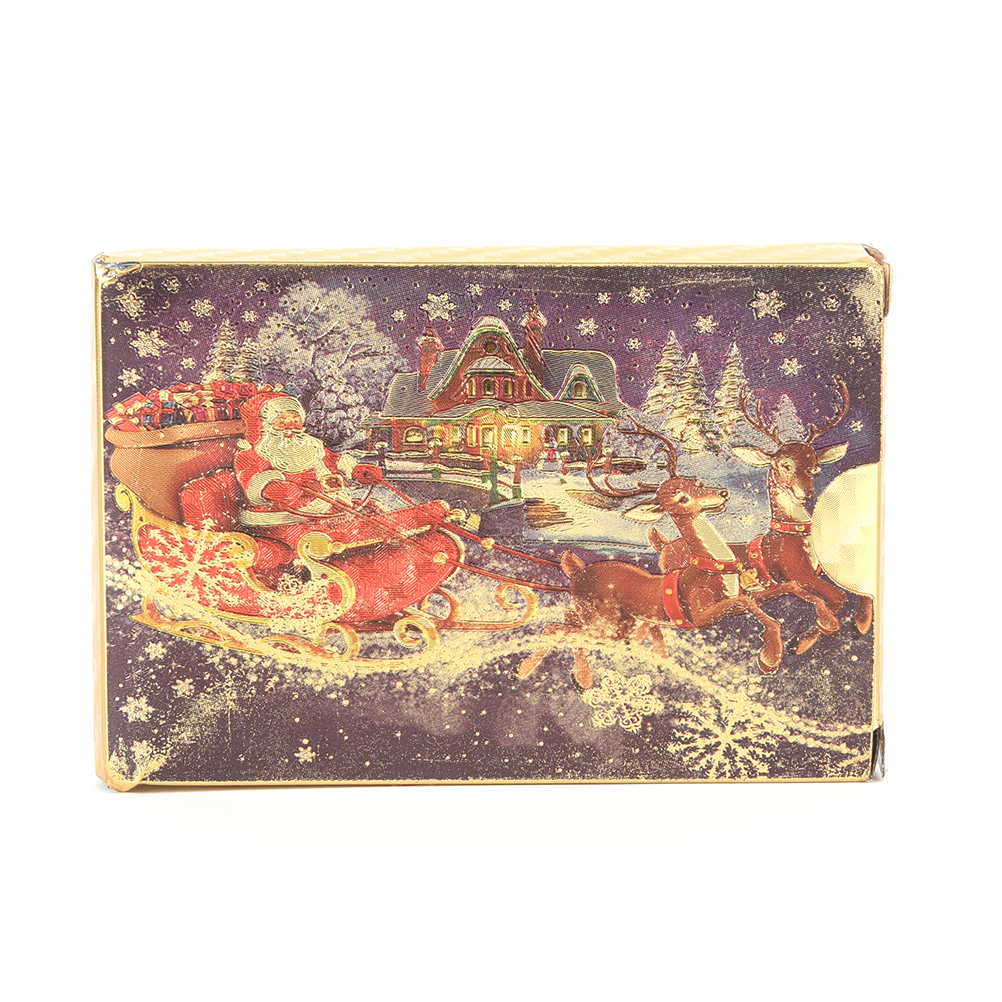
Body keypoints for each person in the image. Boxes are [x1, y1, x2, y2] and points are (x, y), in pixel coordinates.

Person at [234, 392, 449, 559]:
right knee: (326, 540)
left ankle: (398, 540)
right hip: (285, 520)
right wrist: (275, 489)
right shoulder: (252, 453)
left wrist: (356, 471)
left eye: (295, 421)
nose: (290, 428)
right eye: (282, 422)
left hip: (331, 508)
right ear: (264, 425)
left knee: (371, 511)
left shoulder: (311, 446)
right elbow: (253, 482)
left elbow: (335, 461)